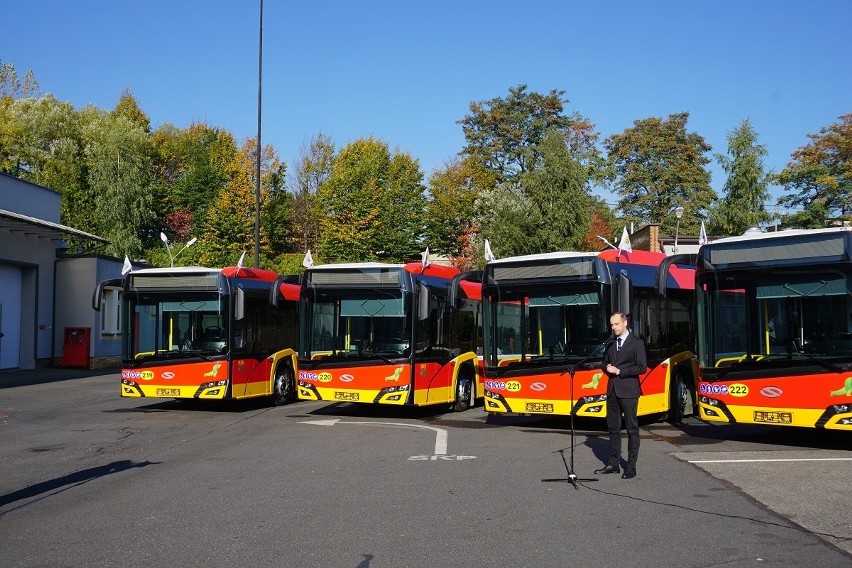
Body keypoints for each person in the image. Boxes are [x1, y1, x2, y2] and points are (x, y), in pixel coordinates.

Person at [594, 311, 647, 479]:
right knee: (613, 429)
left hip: (629, 391)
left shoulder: (636, 343)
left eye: (616, 324)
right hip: (612, 391)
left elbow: (641, 367)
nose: (613, 327)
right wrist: (606, 367)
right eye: (611, 324)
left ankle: (631, 466)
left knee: (632, 429)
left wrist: (620, 371)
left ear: (625, 323)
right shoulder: (610, 343)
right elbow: (604, 363)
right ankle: (613, 463)